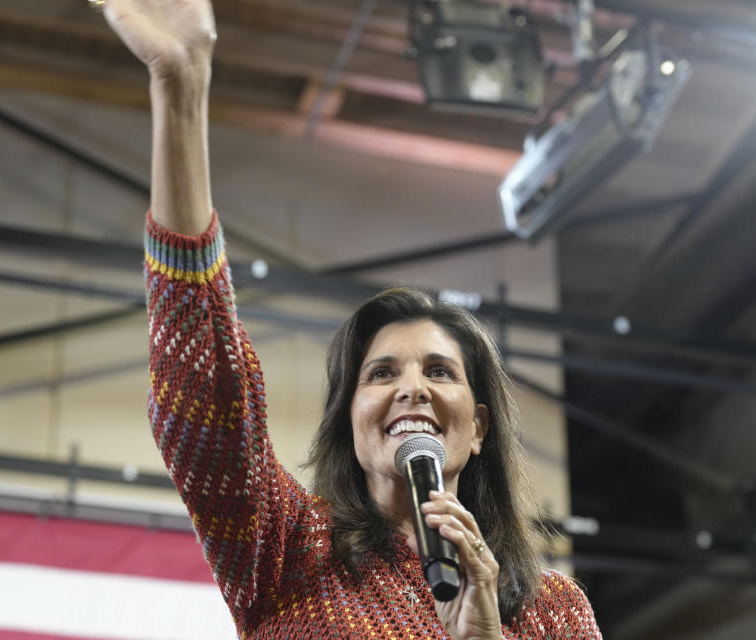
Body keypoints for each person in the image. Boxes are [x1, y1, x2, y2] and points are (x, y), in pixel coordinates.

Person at [99, 0, 603, 637]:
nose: (410, 387)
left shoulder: (551, 611)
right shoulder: (288, 550)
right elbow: (211, 400)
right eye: (380, 373)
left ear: (478, 427)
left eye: (440, 371)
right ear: (352, 418)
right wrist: (182, 86)